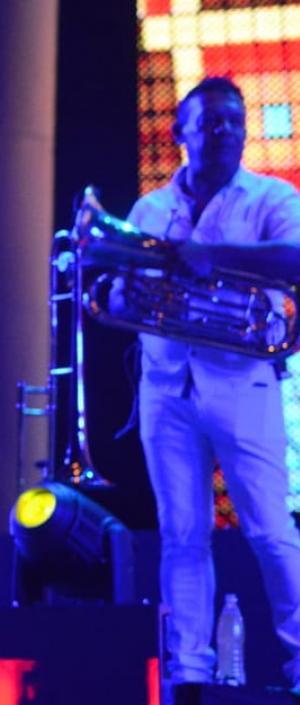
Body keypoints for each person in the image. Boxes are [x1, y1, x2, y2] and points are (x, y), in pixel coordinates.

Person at [125, 76, 300, 694]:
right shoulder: (149, 210)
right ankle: (190, 670)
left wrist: (213, 256)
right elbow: (122, 292)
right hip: (167, 388)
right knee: (181, 534)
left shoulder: (271, 198)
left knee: (269, 530)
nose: (225, 131)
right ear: (181, 134)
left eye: (234, 121)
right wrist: (131, 290)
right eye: (211, 122)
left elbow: (297, 254)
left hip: (242, 383)